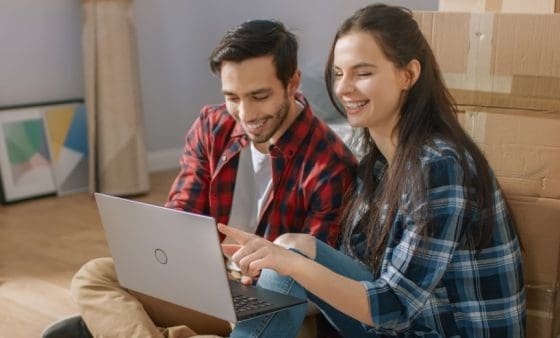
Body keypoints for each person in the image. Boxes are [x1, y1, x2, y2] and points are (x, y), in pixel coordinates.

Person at [219, 4, 526, 337]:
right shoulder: (377, 162)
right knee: (291, 246)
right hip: (407, 325)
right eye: (338, 73)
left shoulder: (439, 166)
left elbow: (391, 306)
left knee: (289, 258)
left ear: (408, 74)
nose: (343, 88)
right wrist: (280, 258)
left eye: (362, 73)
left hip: (441, 330)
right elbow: (364, 270)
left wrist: (290, 264)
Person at [50, 19, 356, 338]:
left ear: (293, 83)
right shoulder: (213, 128)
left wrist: (258, 269)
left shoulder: (330, 164)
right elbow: (182, 209)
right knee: (95, 274)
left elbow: (314, 278)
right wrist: (173, 250)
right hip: (208, 285)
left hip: (278, 308)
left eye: (259, 96)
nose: (246, 113)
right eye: (233, 97)